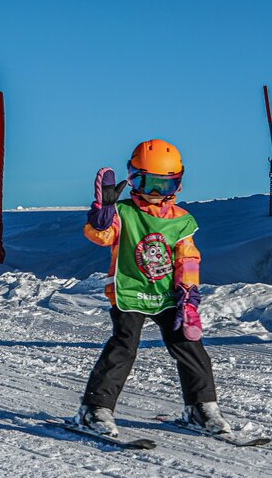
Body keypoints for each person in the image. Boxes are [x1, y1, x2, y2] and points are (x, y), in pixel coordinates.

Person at [74, 139, 230, 436]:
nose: (156, 194)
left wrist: (189, 296)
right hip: (130, 291)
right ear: (133, 179)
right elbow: (102, 236)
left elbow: (188, 258)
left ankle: (201, 407)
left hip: (168, 295)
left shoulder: (182, 221)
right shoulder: (123, 212)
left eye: (165, 186)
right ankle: (95, 409)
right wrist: (101, 213)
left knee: (189, 347)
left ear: (178, 185)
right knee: (124, 346)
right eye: (148, 183)